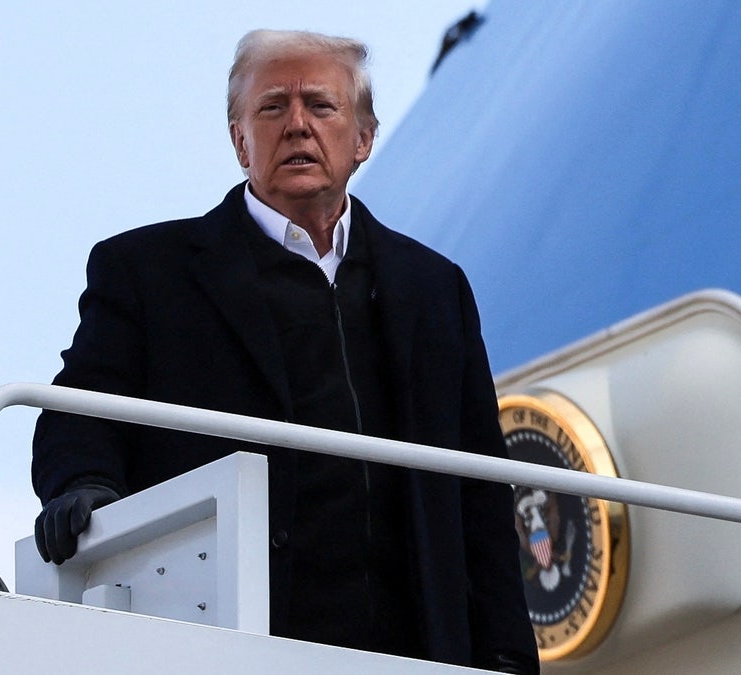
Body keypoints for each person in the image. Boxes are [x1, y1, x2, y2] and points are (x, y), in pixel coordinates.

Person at [31, 29, 539, 673]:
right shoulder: (146, 271)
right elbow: (77, 412)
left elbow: (482, 489)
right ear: (240, 140)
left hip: (416, 649)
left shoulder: (434, 287)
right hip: (231, 640)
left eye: (321, 106)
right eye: (272, 107)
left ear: (363, 138)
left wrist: (507, 655)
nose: (297, 125)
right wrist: (84, 485)